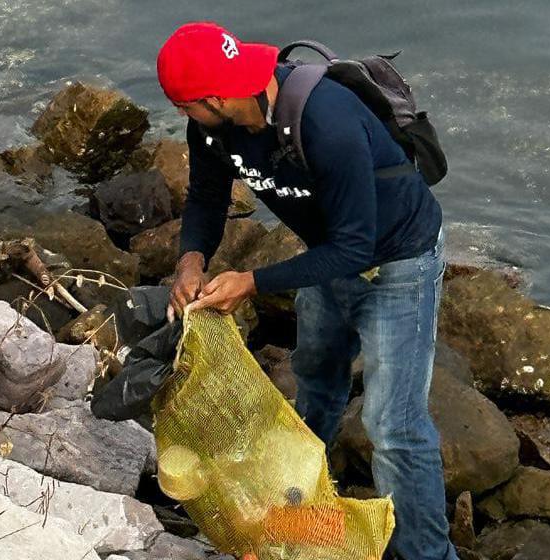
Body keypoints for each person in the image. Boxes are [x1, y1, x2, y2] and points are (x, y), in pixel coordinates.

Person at [157, 22, 458, 560]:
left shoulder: (327, 120)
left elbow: (356, 247)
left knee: (393, 426)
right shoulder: (212, 128)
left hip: (397, 262)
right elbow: (205, 196)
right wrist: (191, 258)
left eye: (185, 106)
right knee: (316, 376)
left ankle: (428, 554)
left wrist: (253, 283)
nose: (182, 116)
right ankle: (299, 498)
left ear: (215, 97)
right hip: (327, 256)